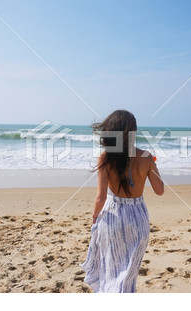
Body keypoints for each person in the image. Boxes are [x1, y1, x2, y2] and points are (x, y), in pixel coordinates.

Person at [80, 110, 164, 293]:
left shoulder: (106, 157)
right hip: (138, 218)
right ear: (133, 132)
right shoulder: (146, 157)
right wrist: (153, 164)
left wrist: (95, 217)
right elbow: (160, 190)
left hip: (113, 217)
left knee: (110, 272)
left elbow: (100, 197)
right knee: (127, 276)